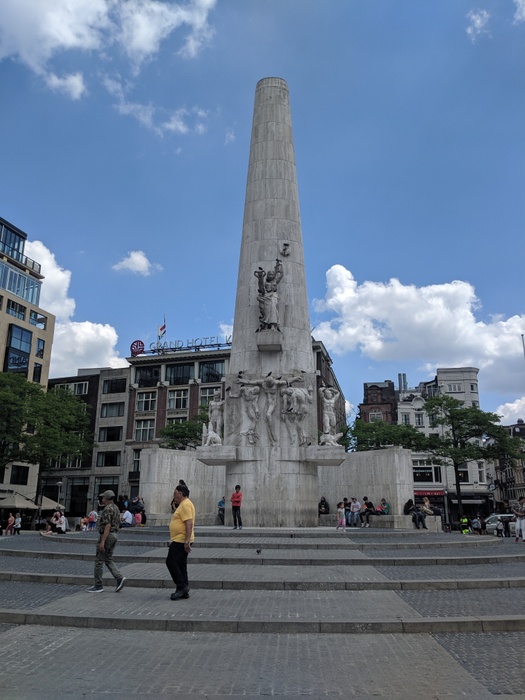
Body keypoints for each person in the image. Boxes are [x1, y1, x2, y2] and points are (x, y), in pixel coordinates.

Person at [86, 490, 126, 593]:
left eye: (103, 497)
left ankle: (98, 585)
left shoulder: (107, 509)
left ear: (107, 498)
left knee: (99, 561)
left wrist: (102, 541)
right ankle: (119, 578)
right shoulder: (116, 508)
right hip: (114, 535)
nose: (102, 499)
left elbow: (107, 525)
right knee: (108, 559)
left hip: (107, 535)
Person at [166, 482, 195, 601]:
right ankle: (183, 590)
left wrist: (186, 541)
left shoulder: (185, 505)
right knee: (181, 564)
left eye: (175, 493)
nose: (174, 496)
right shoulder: (184, 504)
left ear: (181, 493)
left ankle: (182, 586)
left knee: (171, 561)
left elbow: (189, 524)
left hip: (181, 539)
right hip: (182, 539)